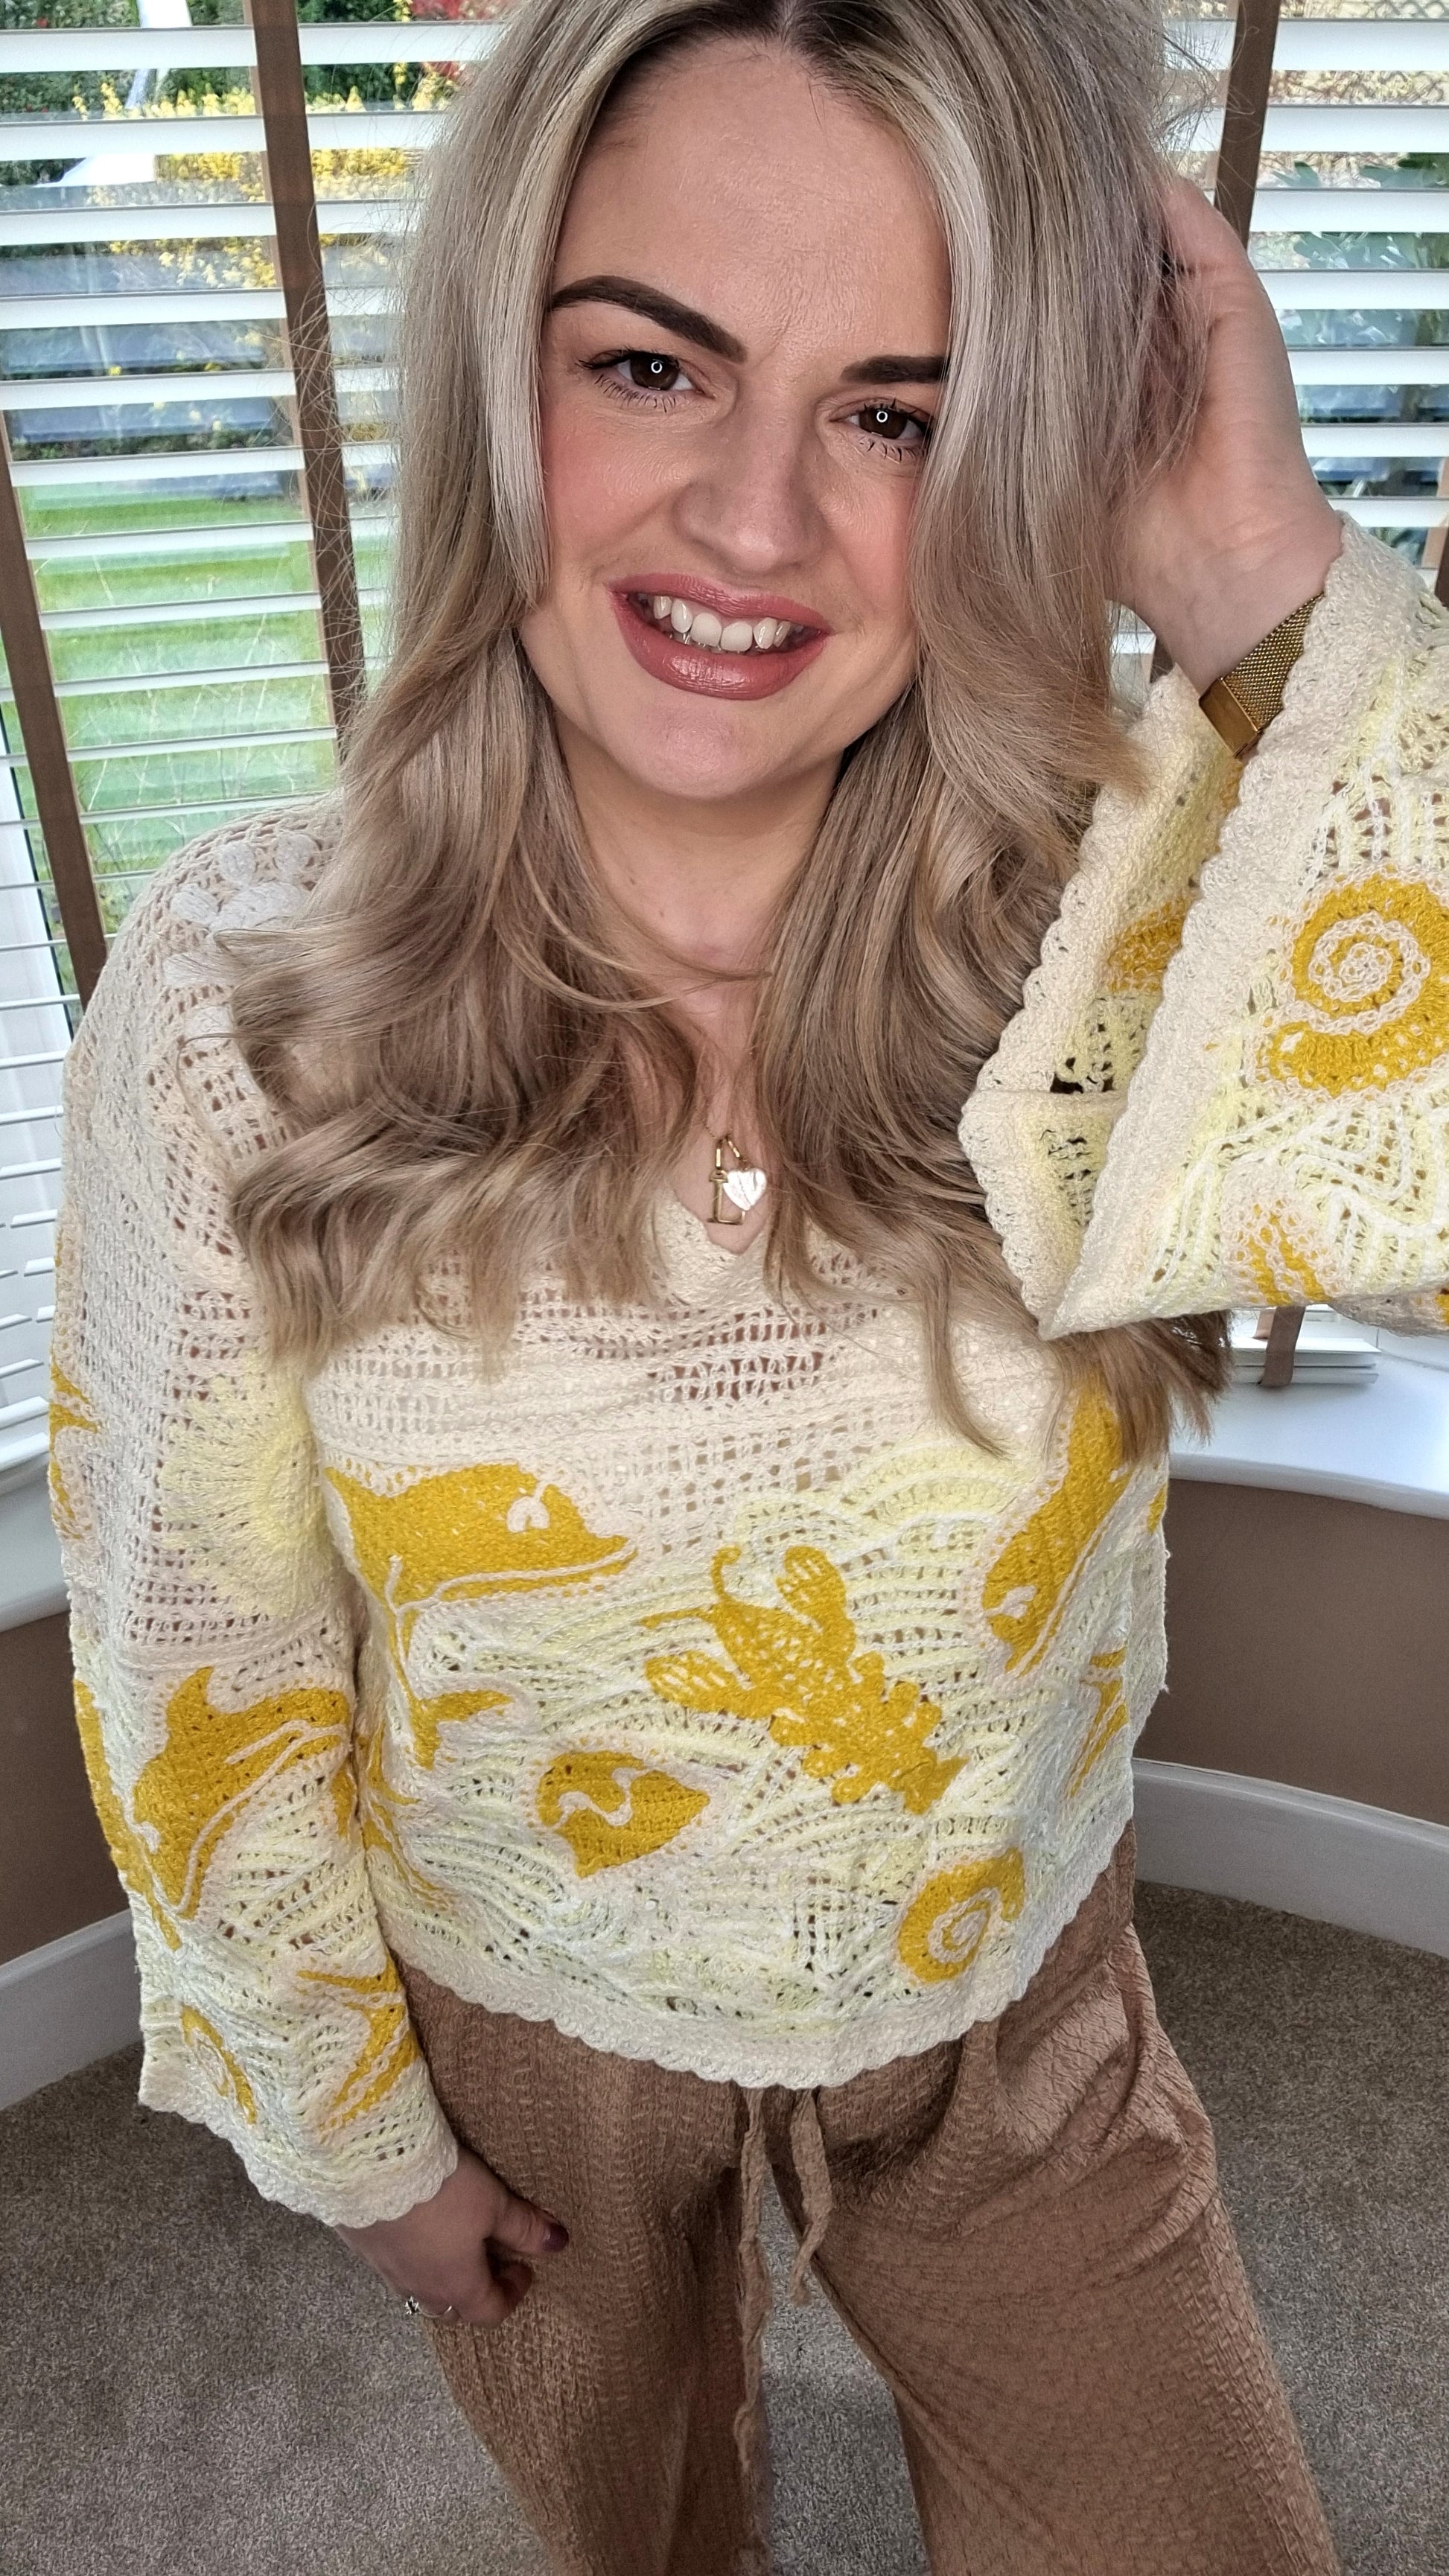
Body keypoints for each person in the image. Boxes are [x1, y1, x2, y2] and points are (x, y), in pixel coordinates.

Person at [50, 1, 1449, 2570]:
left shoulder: (1151, 920)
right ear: (500, 376)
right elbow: (197, 1645)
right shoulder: (241, 1007)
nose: (756, 517)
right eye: (649, 364)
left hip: (1019, 2000)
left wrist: (1254, 588)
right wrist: (352, 2128)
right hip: (525, 2019)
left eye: (896, 412)